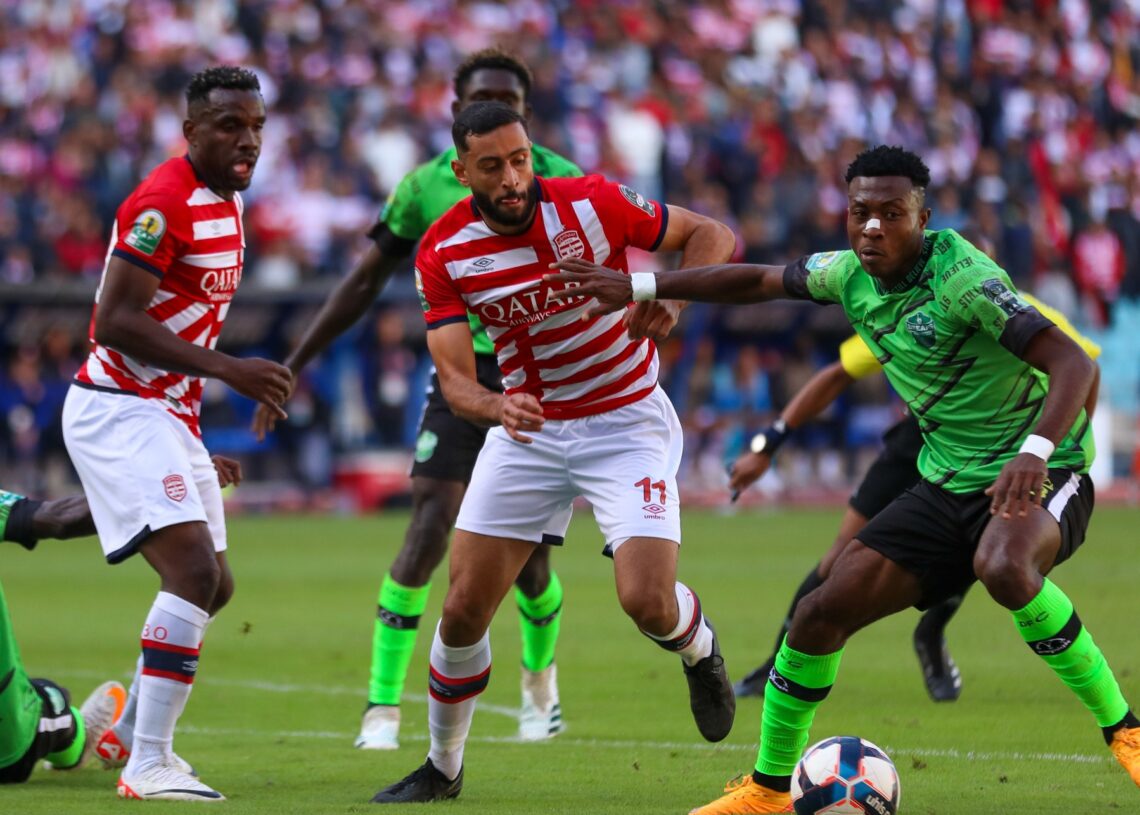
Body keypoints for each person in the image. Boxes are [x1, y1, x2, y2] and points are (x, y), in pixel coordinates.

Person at [547, 145, 1140, 813]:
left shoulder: (963, 279)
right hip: (946, 478)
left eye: (893, 213)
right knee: (817, 613)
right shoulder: (844, 274)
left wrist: (1034, 452)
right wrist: (643, 285)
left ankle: (1126, 730)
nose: (873, 228)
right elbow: (751, 280)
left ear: (924, 216)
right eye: (861, 213)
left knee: (1003, 564)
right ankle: (769, 792)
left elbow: (1073, 363)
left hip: (1044, 467)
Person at [370, 101, 738, 804]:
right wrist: (492, 405)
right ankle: (442, 768)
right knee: (461, 610)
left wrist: (674, 297)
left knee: (646, 600)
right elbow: (452, 376)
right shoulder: (443, 250)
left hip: (626, 420)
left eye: (520, 159)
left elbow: (711, 234)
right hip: (528, 431)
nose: (512, 178)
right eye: (492, 166)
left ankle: (700, 650)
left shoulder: (593, 203)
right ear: (461, 170)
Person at [252, 48, 584, 750]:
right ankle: (380, 707)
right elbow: (365, 279)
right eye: (483, 98)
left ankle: (538, 681)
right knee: (428, 524)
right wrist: (296, 360)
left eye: (511, 101)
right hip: (461, 377)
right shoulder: (424, 188)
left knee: (527, 559)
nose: (498, 111)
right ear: (455, 109)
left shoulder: (562, 179)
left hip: (540, 379)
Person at [61, 65, 291, 802]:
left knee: (214, 585)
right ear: (190, 131)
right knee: (190, 571)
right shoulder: (162, 203)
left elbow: (174, 319)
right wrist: (229, 370)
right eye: (228, 125)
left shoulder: (228, 201)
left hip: (161, 411)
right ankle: (148, 763)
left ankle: (121, 731)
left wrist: (189, 436)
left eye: (254, 124)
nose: (246, 138)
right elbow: (117, 321)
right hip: (116, 406)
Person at [730, 290, 1103, 703]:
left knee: (990, 552)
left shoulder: (1026, 313)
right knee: (840, 555)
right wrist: (768, 444)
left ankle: (931, 635)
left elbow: (1085, 366)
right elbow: (838, 374)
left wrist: (1053, 448)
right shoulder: (914, 308)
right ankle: (776, 666)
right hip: (922, 438)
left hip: (1005, 446)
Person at [1, 490, 124, 783]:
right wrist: (163, 486)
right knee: (48, 699)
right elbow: (59, 519)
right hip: (7, 747)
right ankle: (73, 734)